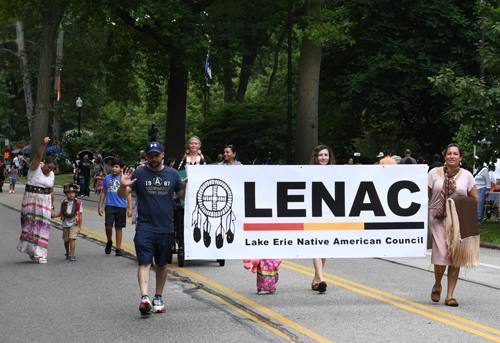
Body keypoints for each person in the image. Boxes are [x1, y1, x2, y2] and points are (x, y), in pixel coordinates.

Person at [118, 141, 187, 316]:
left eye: (157, 155)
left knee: (162, 264)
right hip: (145, 227)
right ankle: (144, 298)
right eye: (151, 155)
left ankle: (158, 297)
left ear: (162, 155)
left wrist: (185, 185)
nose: (154, 158)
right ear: (146, 156)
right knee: (144, 262)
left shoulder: (172, 174)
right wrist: (123, 184)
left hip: (166, 227)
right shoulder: (139, 174)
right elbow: (122, 195)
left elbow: (181, 196)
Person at [428, 143, 478, 307]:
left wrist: (457, 199)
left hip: (458, 218)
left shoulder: (467, 176)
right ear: (445, 157)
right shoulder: (434, 173)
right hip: (438, 218)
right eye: (449, 153)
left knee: (455, 256)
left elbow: (475, 199)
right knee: (441, 255)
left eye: (455, 154)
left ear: (460, 158)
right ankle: (437, 284)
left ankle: (450, 295)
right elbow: (422, 195)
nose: (452, 156)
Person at [17, 137, 56, 264]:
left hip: (45, 202)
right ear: (44, 163)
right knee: (30, 225)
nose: (49, 170)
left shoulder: (52, 175)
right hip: (31, 201)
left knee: (43, 226)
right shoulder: (35, 168)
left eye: (52, 168)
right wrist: (43, 144)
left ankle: (41, 254)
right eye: (48, 167)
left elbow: (51, 190)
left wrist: (52, 207)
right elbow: (38, 156)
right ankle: (32, 252)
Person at [309, 145, 335, 293]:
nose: (323, 157)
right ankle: (322, 279)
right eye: (320, 155)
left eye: (326, 155)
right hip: (314, 213)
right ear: (316, 157)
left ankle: (316, 279)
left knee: (324, 246)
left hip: (329, 214)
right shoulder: (308, 172)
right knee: (316, 245)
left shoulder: (336, 172)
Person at [98, 158, 133, 257]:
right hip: (109, 205)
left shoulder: (124, 179)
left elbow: (128, 194)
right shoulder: (108, 178)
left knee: (119, 227)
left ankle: (118, 248)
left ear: (122, 168)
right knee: (108, 225)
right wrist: (100, 205)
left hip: (121, 206)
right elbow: (103, 192)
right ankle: (109, 241)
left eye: (116, 167)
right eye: (113, 166)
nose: (114, 169)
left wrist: (130, 208)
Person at [53, 183, 83, 261]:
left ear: (76, 193)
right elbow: (62, 212)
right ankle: (68, 252)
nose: (71, 194)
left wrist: (79, 227)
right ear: (66, 194)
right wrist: (54, 215)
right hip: (65, 223)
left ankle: (72, 255)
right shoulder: (64, 202)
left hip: (74, 223)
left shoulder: (78, 203)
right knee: (66, 239)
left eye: (73, 193)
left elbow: (80, 216)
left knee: (71, 239)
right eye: (69, 193)